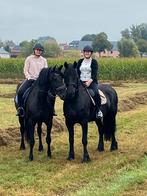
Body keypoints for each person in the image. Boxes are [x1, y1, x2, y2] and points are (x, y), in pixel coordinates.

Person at [16, 43, 48, 117]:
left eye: (40, 50)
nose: (39, 51)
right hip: (31, 79)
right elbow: (25, 70)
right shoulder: (29, 58)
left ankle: (51, 109)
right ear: (34, 50)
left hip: (40, 81)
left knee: (50, 93)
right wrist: (28, 77)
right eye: (37, 50)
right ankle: (20, 108)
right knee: (20, 91)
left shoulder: (44, 60)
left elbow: (45, 71)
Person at [77, 45, 103, 119]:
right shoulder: (80, 61)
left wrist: (89, 82)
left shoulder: (94, 62)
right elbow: (77, 72)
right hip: (81, 82)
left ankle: (98, 111)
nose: (87, 53)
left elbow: (94, 74)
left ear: (91, 53)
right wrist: (79, 81)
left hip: (91, 82)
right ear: (84, 53)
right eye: (85, 52)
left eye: (88, 52)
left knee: (96, 93)